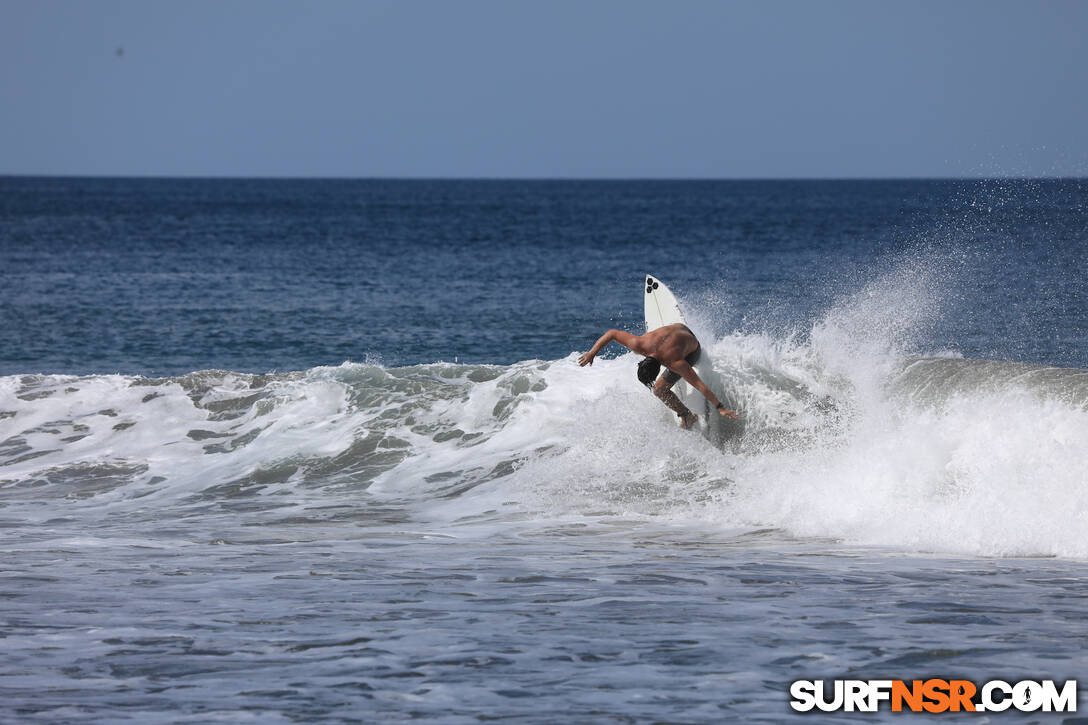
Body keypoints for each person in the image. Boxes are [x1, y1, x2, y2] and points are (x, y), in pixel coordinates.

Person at [578, 323, 739, 429]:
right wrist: (592, 353)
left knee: (659, 390)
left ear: (662, 369)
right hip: (680, 327)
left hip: (693, 350)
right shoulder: (639, 344)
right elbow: (612, 333)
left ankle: (687, 416)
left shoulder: (676, 363)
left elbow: (699, 385)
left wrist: (721, 408)